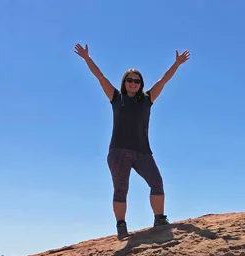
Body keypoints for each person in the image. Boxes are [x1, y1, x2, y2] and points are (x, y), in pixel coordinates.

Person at [74, 43, 190, 239]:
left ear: (141, 83)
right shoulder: (116, 97)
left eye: (136, 80)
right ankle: (121, 225)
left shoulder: (147, 99)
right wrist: (87, 58)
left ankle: (159, 219)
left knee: (157, 183)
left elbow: (164, 80)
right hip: (119, 151)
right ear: (124, 82)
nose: (133, 83)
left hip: (143, 151)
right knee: (121, 189)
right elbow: (100, 77)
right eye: (129, 80)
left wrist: (177, 64)